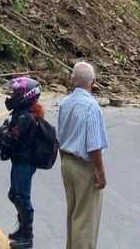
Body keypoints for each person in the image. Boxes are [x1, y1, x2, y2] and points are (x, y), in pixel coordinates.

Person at [57, 62, 109, 249]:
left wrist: (65, 162)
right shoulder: (91, 107)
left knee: (73, 213)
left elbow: (60, 137)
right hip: (84, 167)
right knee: (86, 220)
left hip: (67, 164)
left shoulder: (65, 103)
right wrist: (100, 172)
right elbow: (94, 146)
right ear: (93, 81)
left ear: (72, 80)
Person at [0, 77, 45, 249]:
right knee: (14, 195)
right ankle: (22, 228)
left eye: (16, 94)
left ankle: (27, 236)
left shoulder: (25, 116)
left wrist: (1, 131)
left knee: (22, 198)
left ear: (26, 96)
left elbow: (12, 138)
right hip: (20, 160)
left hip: (25, 162)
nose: (11, 97)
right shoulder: (22, 112)